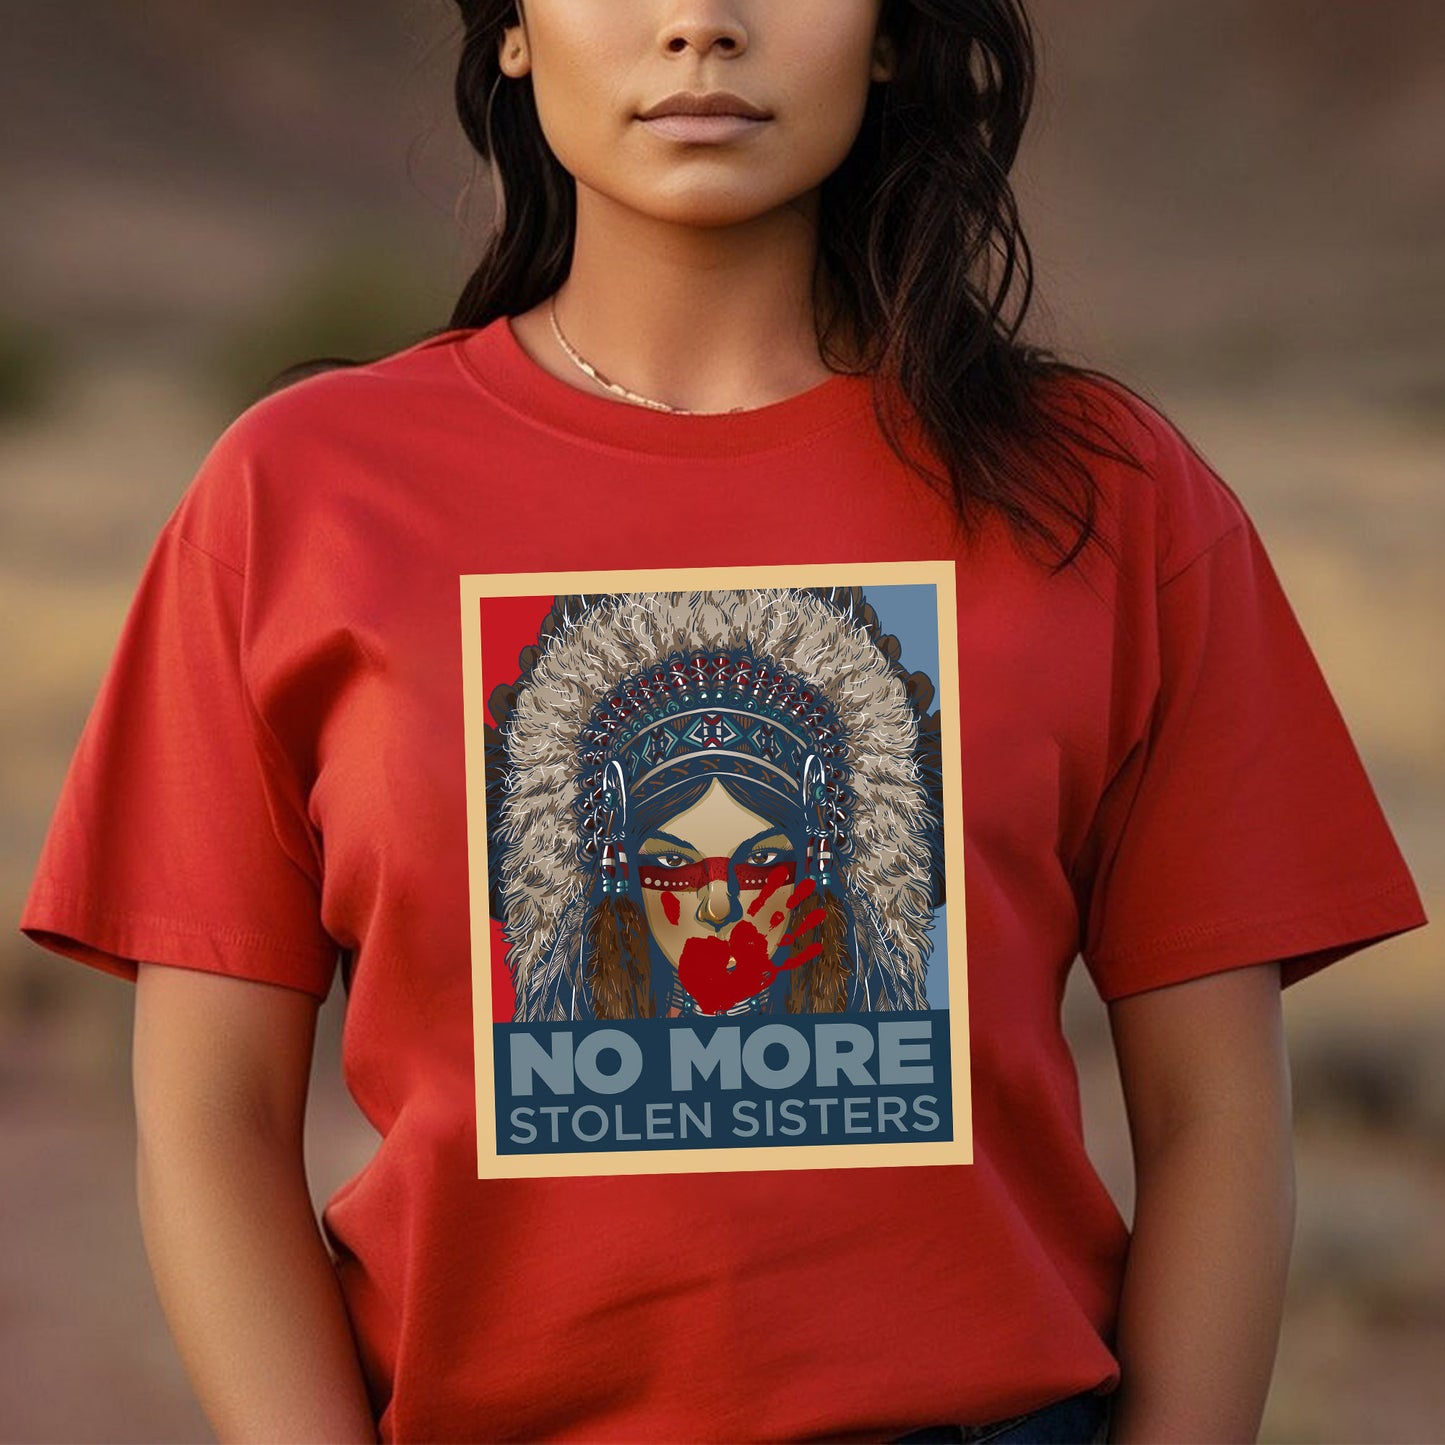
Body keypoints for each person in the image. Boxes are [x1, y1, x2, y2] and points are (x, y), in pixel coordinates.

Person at [18, 1, 1427, 1442]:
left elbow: (1216, 1119)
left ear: (889, 35)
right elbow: (210, 1122)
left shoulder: (1107, 500)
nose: (698, 24)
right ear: (511, 32)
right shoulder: (298, 496)